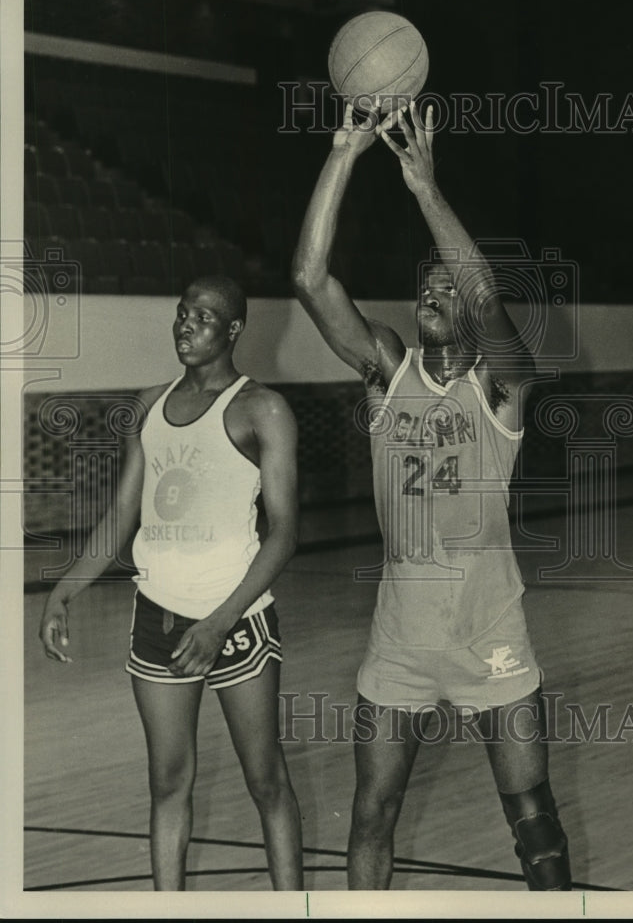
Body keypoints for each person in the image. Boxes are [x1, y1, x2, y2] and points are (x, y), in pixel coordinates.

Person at [292, 99, 571, 891]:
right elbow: (309, 278)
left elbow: (487, 300)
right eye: (426, 284)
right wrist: (343, 152)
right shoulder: (388, 369)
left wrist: (424, 188)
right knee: (370, 816)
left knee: (536, 827)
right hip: (400, 641)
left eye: (447, 287)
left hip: (490, 630)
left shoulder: (501, 387)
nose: (433, 293)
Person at [39, 275, 303, 892]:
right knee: (167, 782)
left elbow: (285, 532)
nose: (187, 324)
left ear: (233, 330)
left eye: (205, 318)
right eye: (183, 313)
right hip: (158, 620)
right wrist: (64, 590)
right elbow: (121, 516)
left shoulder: (260, 408)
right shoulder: (148, 405)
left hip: (236, 622)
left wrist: (219, 622)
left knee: (265, 779)